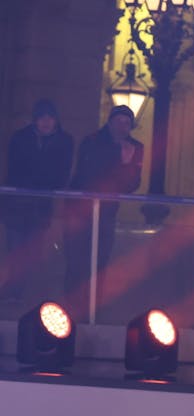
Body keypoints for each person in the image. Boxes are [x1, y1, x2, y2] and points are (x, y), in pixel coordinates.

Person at [62, 106, 143, 310]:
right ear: (110, 121)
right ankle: (71, 302)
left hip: (107, 211)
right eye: (119, 121)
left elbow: (132, 184)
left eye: (127, 123)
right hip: (79, 208)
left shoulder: (135, 147)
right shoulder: (93, 141)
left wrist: (126, 164)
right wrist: (120, 161)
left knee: (101, 257)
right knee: (76, 257)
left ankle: (94, 304)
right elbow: (88, 174)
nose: (123, 127)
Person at [3, 99, 73, 300]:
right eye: (42, 117)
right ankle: (14, 291)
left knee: (32, 251)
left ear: (56, 120)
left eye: (49, 117)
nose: (45, 122)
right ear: (35, 119)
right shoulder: (20, 138)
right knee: (15, 249)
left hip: (40, 206)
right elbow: (15, 170)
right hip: (17, 205)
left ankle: (24, 292)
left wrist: (39, 182)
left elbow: (60, 174)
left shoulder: (64, 141)